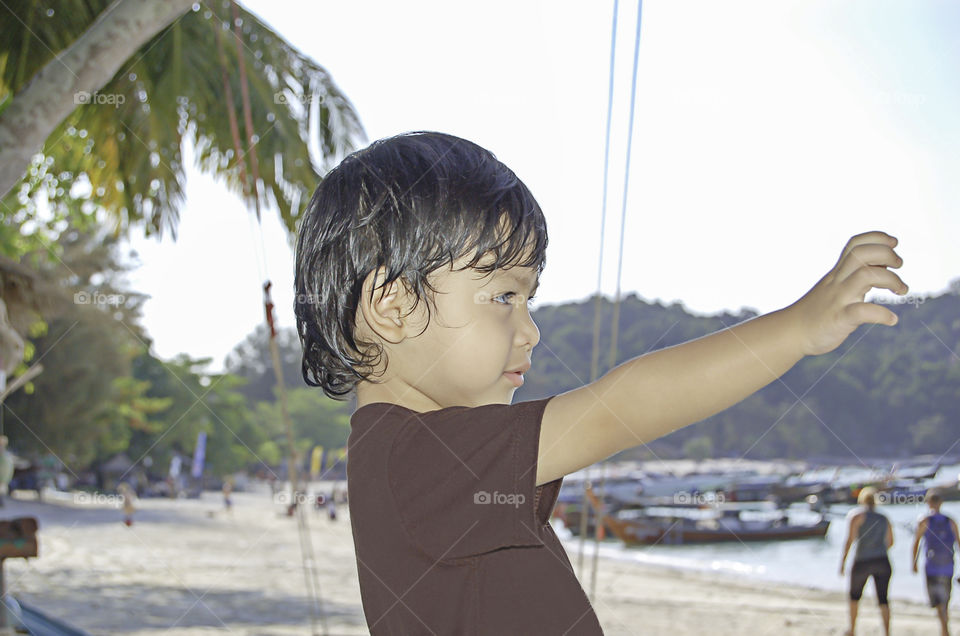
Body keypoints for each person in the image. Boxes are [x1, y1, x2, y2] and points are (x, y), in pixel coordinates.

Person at [293, 131, 909, 635]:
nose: (531, 331)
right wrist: (798, 328)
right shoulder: (417, 458)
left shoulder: (416, 458)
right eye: (504, 295)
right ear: (392, 306)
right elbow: (623, 407)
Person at [839, 486, 893, 636]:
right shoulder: (884, 518)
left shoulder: (856, 516)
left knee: (854, 596)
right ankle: (887, 632)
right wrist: (878, 547)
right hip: (882, 560)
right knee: (883, 599)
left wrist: (843, 563)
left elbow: (849, 541)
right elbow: (891, 542)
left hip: (862, 560)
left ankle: (852, 629)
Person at [911, 488, 959, 636]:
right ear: (941, 503)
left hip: (932, 566)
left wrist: (913, 562)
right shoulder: (950, 521)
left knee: (938, 601)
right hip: (948, 566)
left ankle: (944, 630)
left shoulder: (924, 520)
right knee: (945, 600)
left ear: (928, 503)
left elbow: (916, 543)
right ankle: (945, 629)